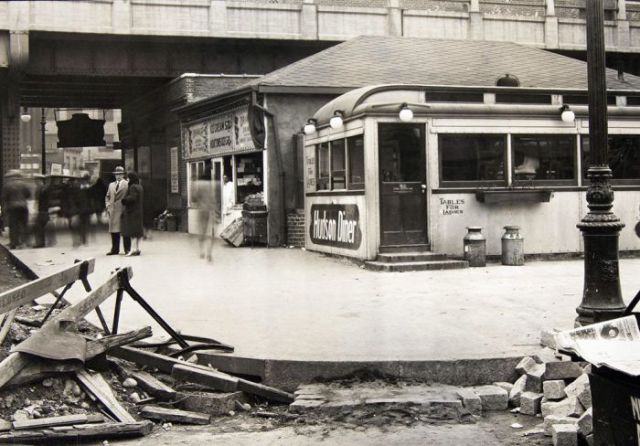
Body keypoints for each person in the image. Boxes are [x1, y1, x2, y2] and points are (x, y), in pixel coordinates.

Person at [1, 170, 30, 249]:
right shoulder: (24, 184)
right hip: (24, 207)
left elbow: (4, 197)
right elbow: (28, 195)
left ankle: (14, 243)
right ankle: (24, 242)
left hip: (13, 207)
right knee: (24, 225)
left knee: (13, 225)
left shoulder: (8, 185)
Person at [191, 171, 216, 261]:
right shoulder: (211, 185)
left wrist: (193, 185)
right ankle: (209, 253)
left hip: (202, 210)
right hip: (210, 210)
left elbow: (193, 198)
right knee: (210, 232)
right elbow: (214, 199)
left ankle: (202, 251)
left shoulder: (199, 185)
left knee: (202, 231)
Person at [105, 166, 129, 255]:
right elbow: (107, 196)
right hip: (112, 210)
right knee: (114, 231)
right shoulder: (111, 185)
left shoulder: (127, 184)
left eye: (120, 174)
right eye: (116, 174)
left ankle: (127, 249)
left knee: (125, 231)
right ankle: (115, 249)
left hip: (122, 209)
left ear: (123, 175)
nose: (118, 176)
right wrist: (108, 205)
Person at [121, 171, 144, 256]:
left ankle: (133, 249)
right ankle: (137, 248)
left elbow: (133, 198)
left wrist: (124, 200)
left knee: (132, 232)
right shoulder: (140, 187)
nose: (127, 180)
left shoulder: (132, 187)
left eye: (128, 178)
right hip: (138, 212)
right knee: (137, 232)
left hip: (132, 212)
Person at [32, 174, 50, 248]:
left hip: (43, 211)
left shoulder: (42, 189)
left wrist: (37, 211)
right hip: (43, 210)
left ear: (40, 180)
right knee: (40, 227)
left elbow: (39, 201)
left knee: (39, 227)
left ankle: (40, 243)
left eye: (36, 180)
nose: (35, 182)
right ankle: (41, 243)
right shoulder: (43, 189)